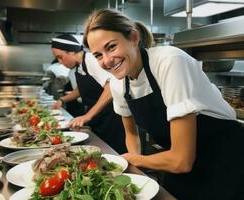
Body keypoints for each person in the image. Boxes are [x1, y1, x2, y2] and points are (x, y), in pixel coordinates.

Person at [83, 9, 244, 200]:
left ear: (133, 37)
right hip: (176, 163)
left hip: (225, 160)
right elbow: (132, 134)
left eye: (111, 47)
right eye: (98, 55)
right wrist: (135, 170)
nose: (107, 61)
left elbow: (182, 160)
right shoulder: (119, 83)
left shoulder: (169, 62)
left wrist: (135, 159)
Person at [51, 33, 127, 154]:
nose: (60, 62)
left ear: (71, 52)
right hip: (99, 118)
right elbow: (81, 89)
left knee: (115, 154)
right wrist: (62, 100)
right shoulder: (78, 67)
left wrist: (88, 116)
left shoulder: (91, 60)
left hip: (111, 119)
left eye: (60, 57)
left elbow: (111, 88)